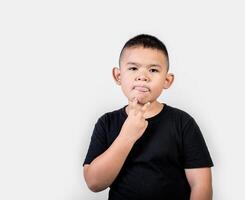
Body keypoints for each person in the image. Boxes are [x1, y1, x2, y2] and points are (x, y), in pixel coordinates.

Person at [82, 34, 214, 200]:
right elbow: (94, 183)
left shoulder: (182, 122)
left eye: (153, 70)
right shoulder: (106, 123)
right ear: (118, 76)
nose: (142, 76)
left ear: (167, 80)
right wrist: (127, 136)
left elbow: (201, 184)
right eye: (133, 68)